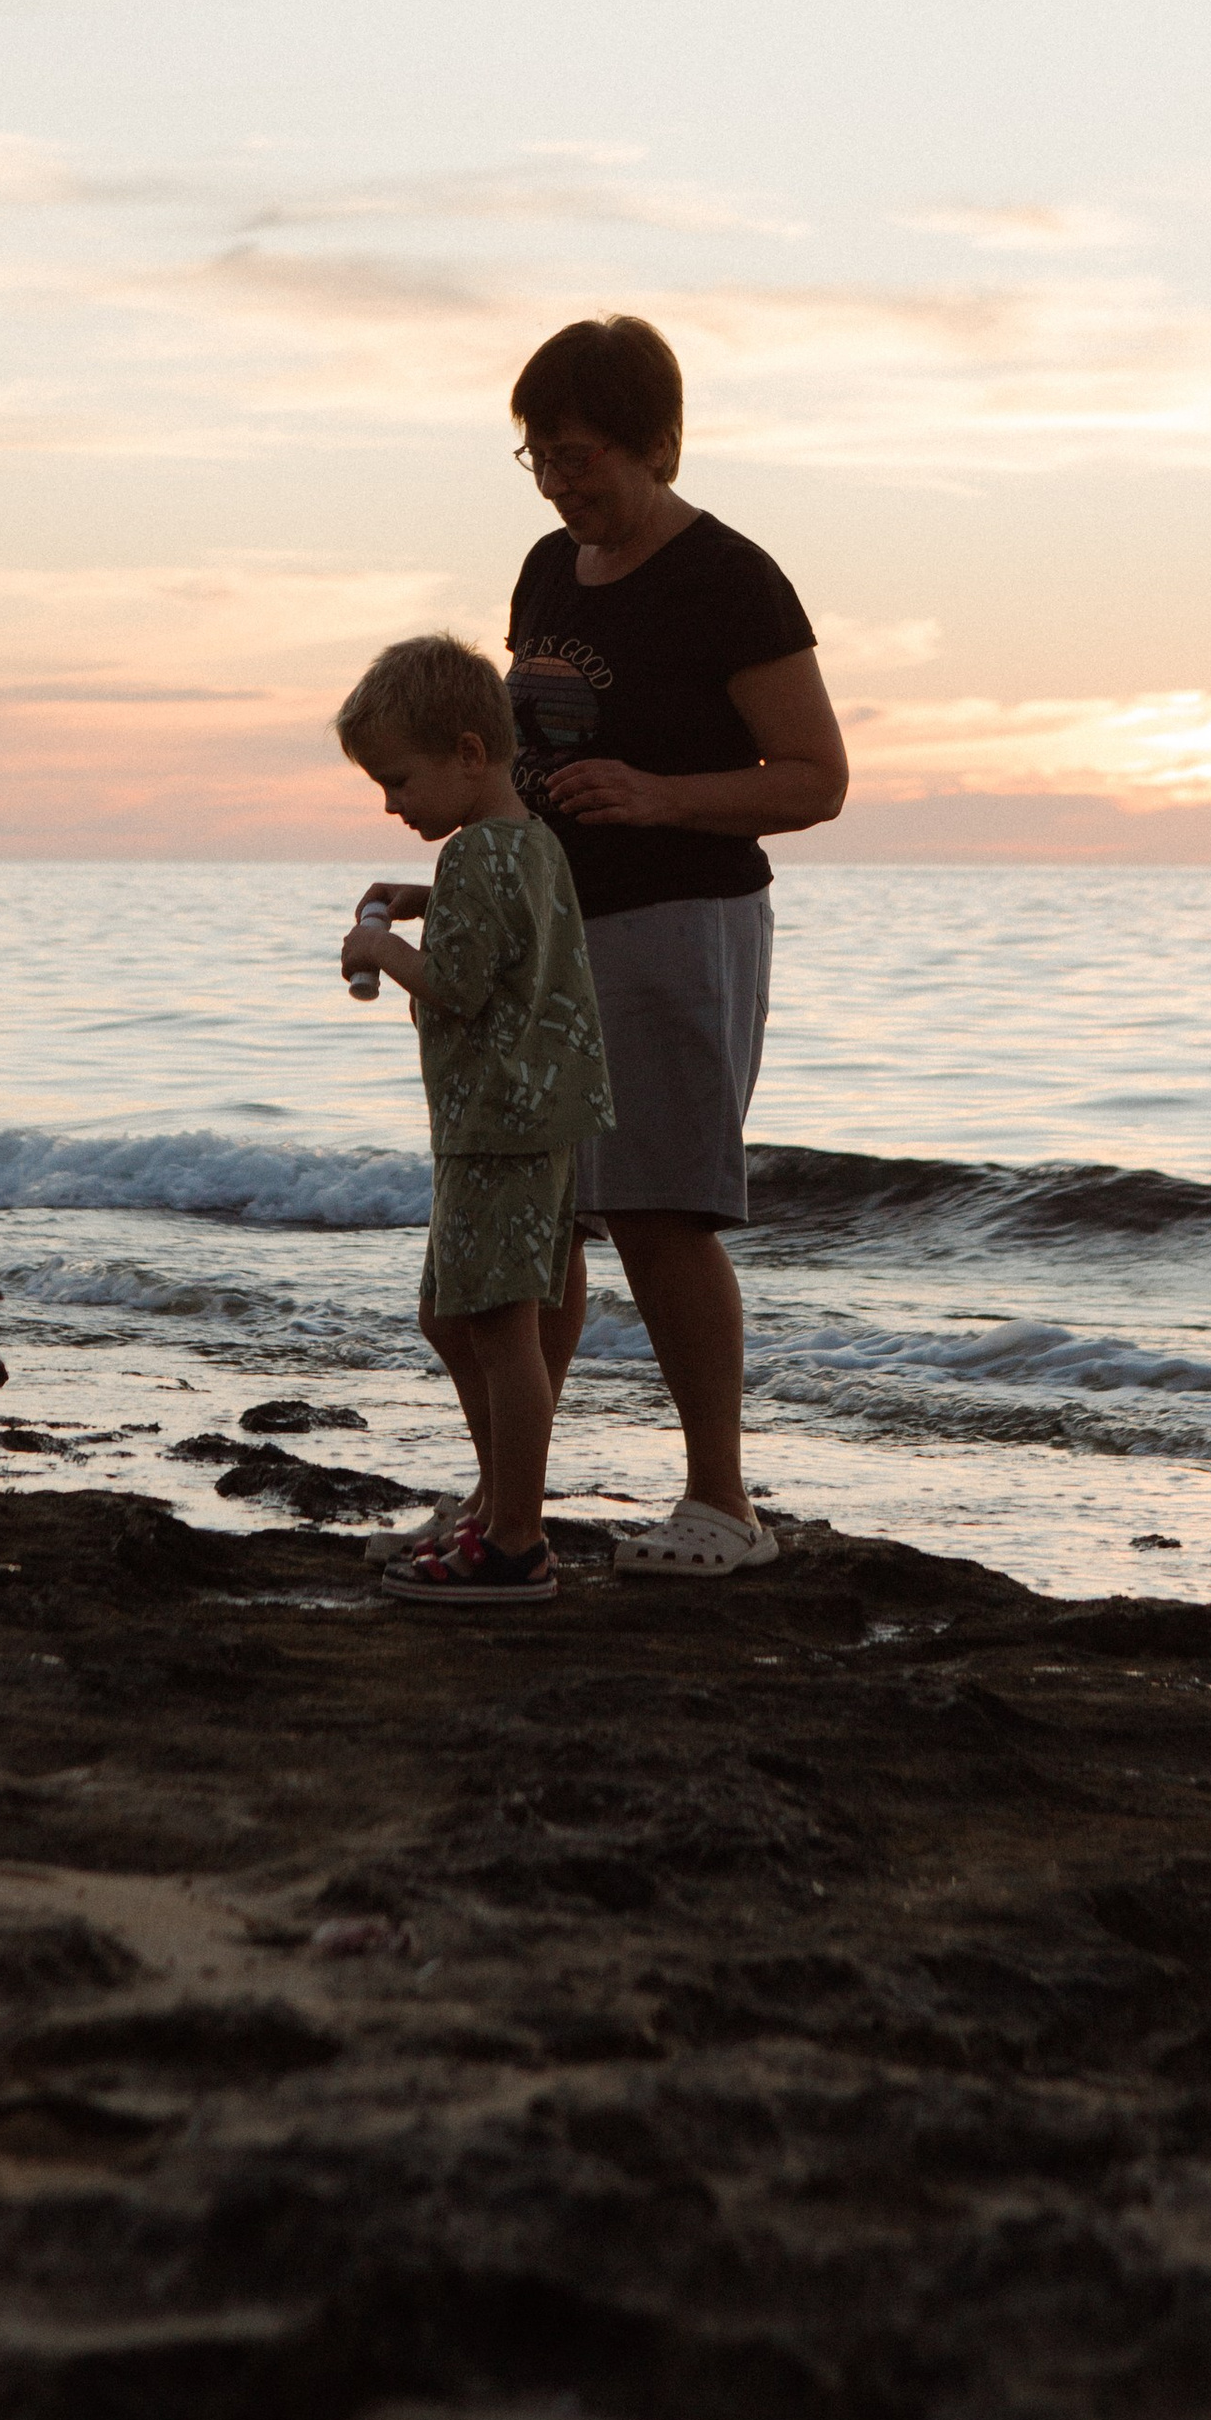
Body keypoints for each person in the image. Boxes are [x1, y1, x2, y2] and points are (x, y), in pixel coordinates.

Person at [504, 314, 847, 1575]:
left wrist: (657, 794)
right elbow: (526, 761)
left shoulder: (729, 579)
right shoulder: (544, 569)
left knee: (659, 1213)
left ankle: (722, 1506)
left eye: (580, 455)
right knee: (536, 1215)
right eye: (537, 457)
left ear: (659, 444)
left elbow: (815, 779)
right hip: (547, 924)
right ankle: (510, 1504)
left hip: (677, 924)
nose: (558, 480)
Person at [334, 634, 614, 1610]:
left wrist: (377, 944)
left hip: (496, 1124)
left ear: (465, 753)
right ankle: (500, 1498)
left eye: (397, 780)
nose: (389, 804)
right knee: (451, 1317)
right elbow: (500, 937)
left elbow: (453, 983)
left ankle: (516, 1542)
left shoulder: (476, 856)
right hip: (529, 1119)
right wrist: (418, 900)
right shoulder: (526, 840)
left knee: (498, 1333)